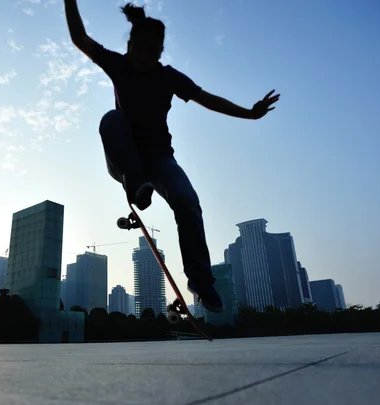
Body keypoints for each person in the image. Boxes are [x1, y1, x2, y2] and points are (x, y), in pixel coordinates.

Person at [63, 0, 280, 313]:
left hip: (161, 160)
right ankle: (137, 186)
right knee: (112, 119)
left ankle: (201, 281)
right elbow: (80, 39)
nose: (145, 58)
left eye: (152, 52)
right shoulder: (118, 64)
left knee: (187, 201)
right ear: (129, 46)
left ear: (160, 52)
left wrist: (249, 113)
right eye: (140, 50)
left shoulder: (168, 77)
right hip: (125, 160)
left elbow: (207, 99)